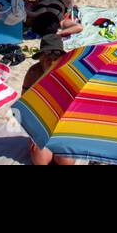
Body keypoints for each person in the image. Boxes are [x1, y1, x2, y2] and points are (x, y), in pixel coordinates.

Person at [23, 36, 77, 166]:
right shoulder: (33, 73)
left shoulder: (68, 73)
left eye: (56, 54)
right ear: (41, 56)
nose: (51, 58)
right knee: (40, 160)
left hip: (63, 127)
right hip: (41, 125)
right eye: (47, 53)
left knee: (66, 161)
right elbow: (24, 107)